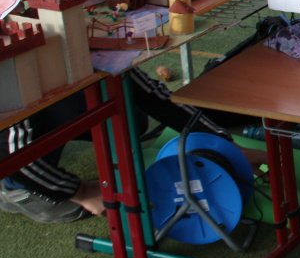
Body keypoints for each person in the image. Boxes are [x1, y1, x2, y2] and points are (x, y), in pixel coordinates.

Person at [0, 67, 233, 223]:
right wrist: (81, 192)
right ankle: (13, 190)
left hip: (43, 84)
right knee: (94, 203)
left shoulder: (85, 41)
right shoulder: (13, 77)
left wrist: (220, 140)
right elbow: (12, 160)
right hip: (11, 152)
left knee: (129, 114)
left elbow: (152, 94)